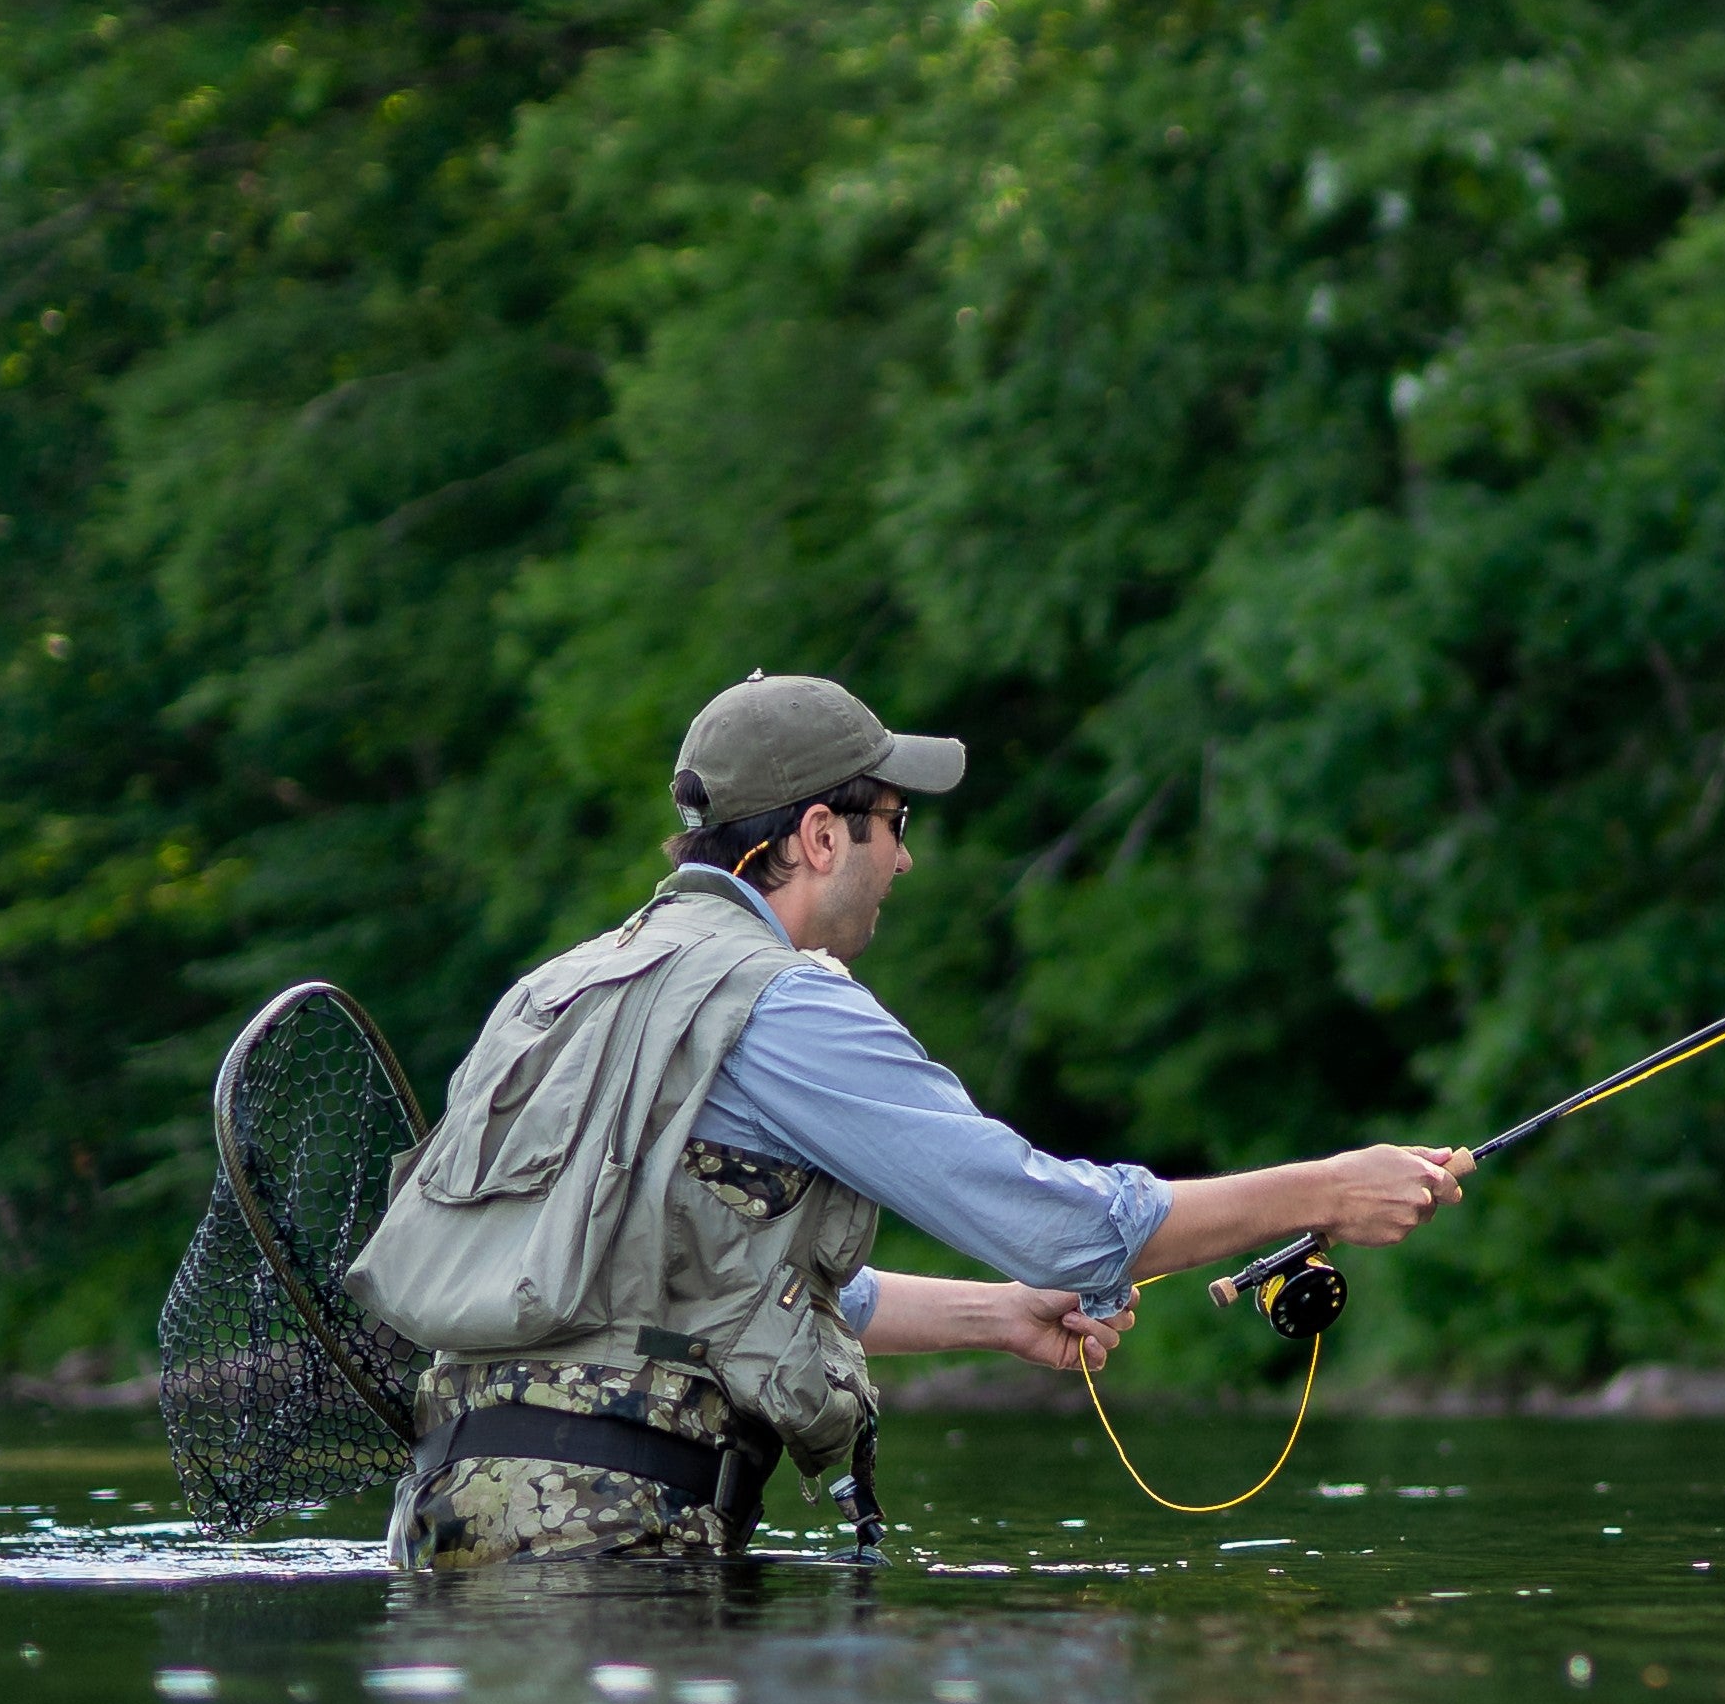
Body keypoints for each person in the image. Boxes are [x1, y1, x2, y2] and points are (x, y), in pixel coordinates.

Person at [341, 671, 1466, 1570]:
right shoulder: (782, 1003)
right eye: (894, 822)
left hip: (451, 1532)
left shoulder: (554, 990)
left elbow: (678, 1284)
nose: (907, 856)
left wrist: (996, 1316)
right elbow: (1066, 1226)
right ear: (821, 835)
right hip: (610, 1542)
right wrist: (1327, 1190)